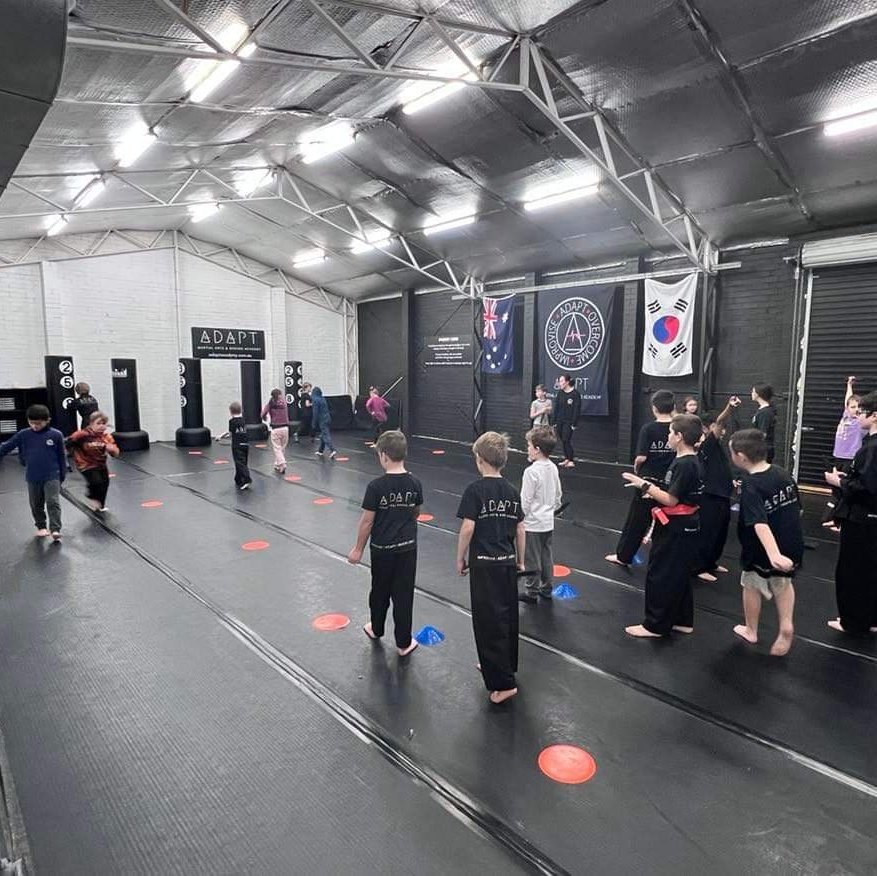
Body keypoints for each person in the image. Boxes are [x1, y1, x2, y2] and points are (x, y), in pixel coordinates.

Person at [620, 414, 704, 638]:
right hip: (684, 525)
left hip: (675, 528)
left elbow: (672, 500)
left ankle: (655, 625)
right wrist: (655, 494)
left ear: (679, 436)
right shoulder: (688, 461)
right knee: (679, 573)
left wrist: (644, 485)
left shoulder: (685, 464)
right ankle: (682, 620)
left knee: (661, 573)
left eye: (670, 433)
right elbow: (674, 494)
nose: (667, 436)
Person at [456, 432, 526, 704]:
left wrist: (460, 557)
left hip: (484, 566)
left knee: (488, 622)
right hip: (507, 564)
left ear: (480, 459)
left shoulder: (475, 490)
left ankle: (504, 683)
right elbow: (520, 528)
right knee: (507, 617)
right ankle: (505, 666)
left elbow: (468, 527)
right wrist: (520, 560)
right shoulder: (511, 491)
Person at [347, 430, 422, 656]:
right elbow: (415, 512)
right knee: (404, 595)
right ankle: (403, 643)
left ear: (384, 456)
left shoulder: (376, 487)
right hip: (407, 548)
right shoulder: (415, 483)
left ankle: (376, 628)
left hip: (382, 550)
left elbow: (367, 521)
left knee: (379, 591)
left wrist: (358, 549)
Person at [730, 428, 803, 656]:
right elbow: (797, 508)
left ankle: (751, 630)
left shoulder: (751, 484)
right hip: (790, 541)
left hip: (761, 549)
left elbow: (759, 523)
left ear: (741, 457)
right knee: (784, 583)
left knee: (750, 584)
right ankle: (786, 625)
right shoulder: (782, 473)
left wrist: (772, 554)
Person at [824, 390, 877, 635]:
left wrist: (838, 482)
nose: (857, 417)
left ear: (874, 415)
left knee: (852, 570)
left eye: (861, 413)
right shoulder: (868, 445)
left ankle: (852, 621)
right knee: (869, 569)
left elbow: (867, 487)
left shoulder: (871, 448)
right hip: (869, 518)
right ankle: (869, 617)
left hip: (862, 518)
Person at [605, 389, 676, 568]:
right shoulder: (678, 427)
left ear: (654, 408)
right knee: (669, 521)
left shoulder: (649, 428)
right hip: (671, 480)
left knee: (637, 521)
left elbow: (641, 457)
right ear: (673, 407)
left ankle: (624, 556)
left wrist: (637, 470)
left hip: (648, 479)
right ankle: (667, 560)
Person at [0, 404, 67, 541]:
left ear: (47, 420)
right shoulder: (24, 434)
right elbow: (7, 446)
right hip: (33, 475)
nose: (35, 426)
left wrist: (62, 474)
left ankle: (55, 529)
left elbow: (62, 455)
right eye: (31, 423)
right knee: (36, 503)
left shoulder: (56, 435)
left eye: (38, 423)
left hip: (52, 475)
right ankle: (41, 526)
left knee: (52, 501)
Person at [694, 397, 741, 582]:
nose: (723, 431)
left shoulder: (716, 446)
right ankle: (699, 566)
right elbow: (721, 422)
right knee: (707, 532)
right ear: (707, 428)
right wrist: (729, 407)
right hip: (710, 496)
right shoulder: (707, 445)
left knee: (720, 532)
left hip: (723, 495)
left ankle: (711, 562)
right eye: (717, 428)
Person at [518, 426, 562, 604]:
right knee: (546, 555)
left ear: (537, 449)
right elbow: (558, 494)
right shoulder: (552, 468)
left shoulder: (531, 472)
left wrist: (520, 518)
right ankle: (546, 588)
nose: (527, 448)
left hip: (532, 523)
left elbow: (525, 500)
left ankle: (531, 591)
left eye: (529, 445)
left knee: (531, 558)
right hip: (547, 522)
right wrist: (552, 509)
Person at [822, 376, 863, 528]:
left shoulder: (860, 423)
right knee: (836, 491)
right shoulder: (845, 416)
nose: (855, 410)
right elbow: (848, 399)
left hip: (849, 459)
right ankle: (836, 519)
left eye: (858, 408)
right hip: (837, 458)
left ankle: (841, 522)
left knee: (845, 491)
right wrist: (849, 385)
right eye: (852, 407)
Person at [67, 411, 120, 512]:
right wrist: (67, 453)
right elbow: (69, 442)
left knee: (105, 483)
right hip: (85, 464)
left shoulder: (106, 437)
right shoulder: (82, 435)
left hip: (100, 464)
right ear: (91, 424)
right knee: (96, 481)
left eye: (103, 424)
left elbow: (116, 453)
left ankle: (100, 505)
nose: (101, 426)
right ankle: (91, 496)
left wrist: (112, 449)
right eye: (98, 424)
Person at [219, 401, 251, 491]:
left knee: (239, 462)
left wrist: (221, 436)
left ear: (231, 411)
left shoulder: (232, 421)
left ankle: (247, 479)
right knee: (243, 461)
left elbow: (230, 433)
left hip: (237, 445)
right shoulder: (244, 420)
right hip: (245, 444)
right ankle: (238, 478)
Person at [553, 374, 581, 468]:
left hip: (569, 422)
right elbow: (556, 407)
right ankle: (567, 458)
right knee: (563, 440)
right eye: (559, 381)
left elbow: (576, 409)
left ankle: (571, 460)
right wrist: (554, 421)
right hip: (560, 420)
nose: (560, 383)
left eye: (561, 381)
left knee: (566, 439)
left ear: (567, 382)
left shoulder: (575, 394)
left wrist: (574, 423)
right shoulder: (560, 393)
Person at [261, 388, 289, 474]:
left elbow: (263, 414)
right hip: (285, 427)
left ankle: (281, 463)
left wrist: (265, 418)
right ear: (280, 395)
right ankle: (277, 464)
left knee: (277, 448)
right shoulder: (284, 403)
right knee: (282, 447)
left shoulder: (270, 403)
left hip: (275, 428)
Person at [751, 384, 777, 463]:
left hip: (763, 450)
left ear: (758, 394)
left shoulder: (765, 413)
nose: (751, 393)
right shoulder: (763, 410)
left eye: (753, 391)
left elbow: (763, 434)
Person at [311, 387, 337, 460]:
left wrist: (313, 423)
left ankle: (332, 449)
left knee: (325, 435)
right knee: (323, 434)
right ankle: (320, 450)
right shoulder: (322, 398)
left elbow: (315, 412)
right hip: (328, 418)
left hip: (322, 419)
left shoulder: (315, 400)